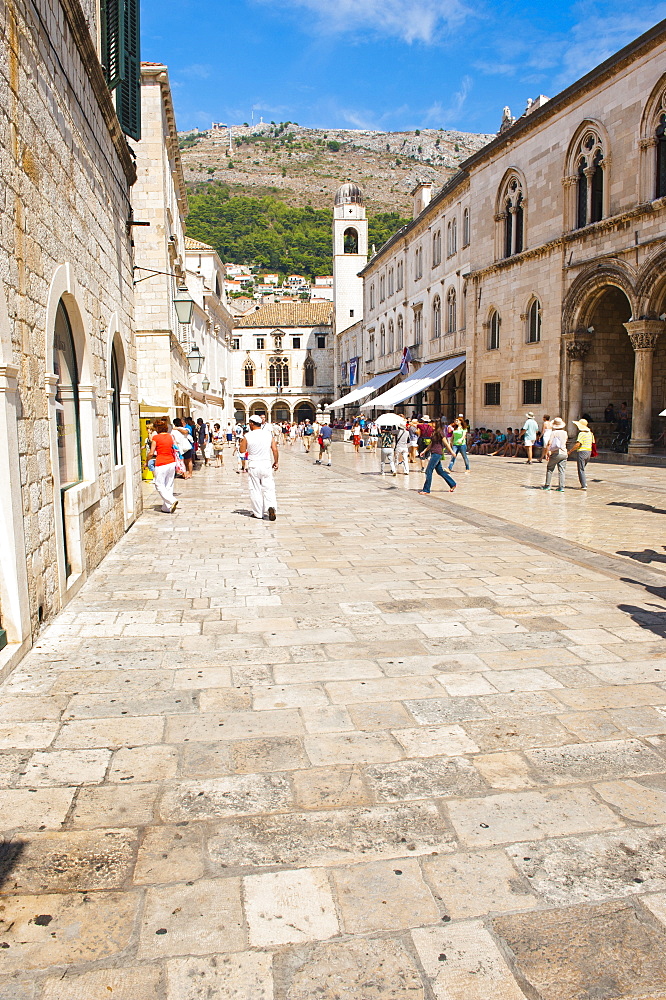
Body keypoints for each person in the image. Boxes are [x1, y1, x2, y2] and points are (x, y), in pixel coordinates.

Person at [240, 415, 279, 520]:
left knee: (255, 489)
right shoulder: (268, 435)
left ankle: (258, 513)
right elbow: (275, 449)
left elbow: (242, 450)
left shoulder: (248, 436)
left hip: (254, 465)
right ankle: (271, 506)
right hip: (266, 464)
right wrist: (276, 462)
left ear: (252, 424)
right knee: (269, 487)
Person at [147, 418, 178, 513]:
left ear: (157, 428)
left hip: (161, 462)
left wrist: (146, 461)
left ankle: (172, 500)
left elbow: (151, 452)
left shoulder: (156, 438)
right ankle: (167, 507)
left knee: (159, 484)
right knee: (169, 484)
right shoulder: (171, 436)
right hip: (172, 462)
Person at [418, 428, 456, 494]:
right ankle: (452, 484)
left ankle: (426, 489)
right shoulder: (434, 432)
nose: (430, 424)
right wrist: (424, 451)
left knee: (428, 471)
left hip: (437, 454)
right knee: (440, 471)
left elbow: (446, 444)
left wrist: (452, 452)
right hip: (433, 453)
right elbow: (431, 444)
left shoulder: (441, 433)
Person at [542, 417, 568, 491]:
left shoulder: (554, 433)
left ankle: (547, 485)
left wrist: (547, 452)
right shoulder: (565, 432)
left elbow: (549, 443)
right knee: (562, 470)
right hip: (564, 453)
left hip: (556, 453)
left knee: (550, 468)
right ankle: (561, 487)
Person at [568, 418, 595, 490]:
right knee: (582, 468)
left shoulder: (581, 434)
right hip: (588, 451)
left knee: (581, 469)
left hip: (582, 452)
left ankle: (584, 485)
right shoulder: (590, 433)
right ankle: (584, 483)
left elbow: (578, 444)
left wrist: (570, 451)